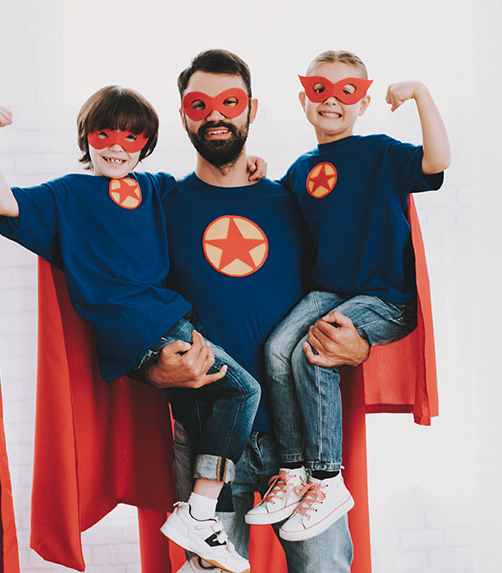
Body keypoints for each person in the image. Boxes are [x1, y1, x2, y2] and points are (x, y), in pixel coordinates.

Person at [0, 86, 267, 573]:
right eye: (103, 134)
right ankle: (198, 514)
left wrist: (248, 163)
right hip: (142, 327)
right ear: (86, 138)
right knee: (243, 392)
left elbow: (204, 190)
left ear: (146, 143)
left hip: (167, 319)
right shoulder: (69, 192)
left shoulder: (155, 186)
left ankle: (201, 549)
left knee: (199, 424)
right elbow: (5, 205)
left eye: (131, 137)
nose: (116, 145)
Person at [146, 49, 370, 573]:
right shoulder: (161, 207)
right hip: (210, 433)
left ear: (251, 110)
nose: (216, 115)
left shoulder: (294, 198)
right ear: (183, 114)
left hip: (308, 444)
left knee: (325, 567)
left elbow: (353, 278)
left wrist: (361, 344)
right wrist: (155, 368)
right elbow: (135, 306)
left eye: (231, 103)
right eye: (200, 105)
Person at [245, 49, 450, 542]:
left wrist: (420, 93)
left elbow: (438, 161)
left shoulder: (380, 153)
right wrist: (256, 172)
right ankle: (293, 470)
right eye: (320, 90)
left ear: (361, 102)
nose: (332, 100)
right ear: (303, 100)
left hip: (383, 299)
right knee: (277, 349)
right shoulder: (301, 170)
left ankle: (328, 477)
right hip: (329, 293)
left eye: (346, 91)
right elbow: (275, 214)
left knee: (314, 350)